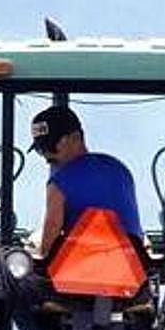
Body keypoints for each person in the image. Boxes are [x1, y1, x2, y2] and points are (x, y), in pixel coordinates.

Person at [28, 105, 143, 260]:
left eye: (51, 146)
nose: (46, 154)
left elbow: (48, 248)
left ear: (76, 137)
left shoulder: (58, 183)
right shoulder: (120, 169)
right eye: (40, 149)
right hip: (131, 271)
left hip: (80, 273)